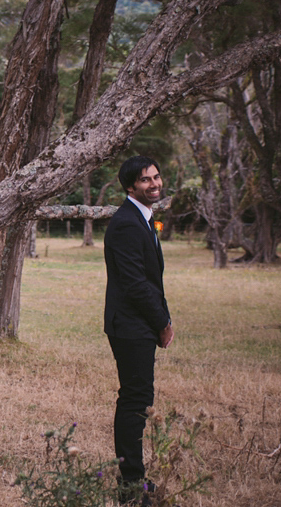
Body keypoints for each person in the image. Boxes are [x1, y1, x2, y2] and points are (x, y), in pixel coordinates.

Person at [104, 156, 174, 505]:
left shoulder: (144, 219)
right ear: (130, 186)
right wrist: (162, 322)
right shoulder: (127, 224)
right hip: (131, 326)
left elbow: (151, 280)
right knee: (134, 402)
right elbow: (134, 284)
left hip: (139, 323)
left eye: (157, 177)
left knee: (138, 400)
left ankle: (134, 480)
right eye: (146, 180)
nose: (155, 184)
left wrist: (163, 317)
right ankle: (131, 487)